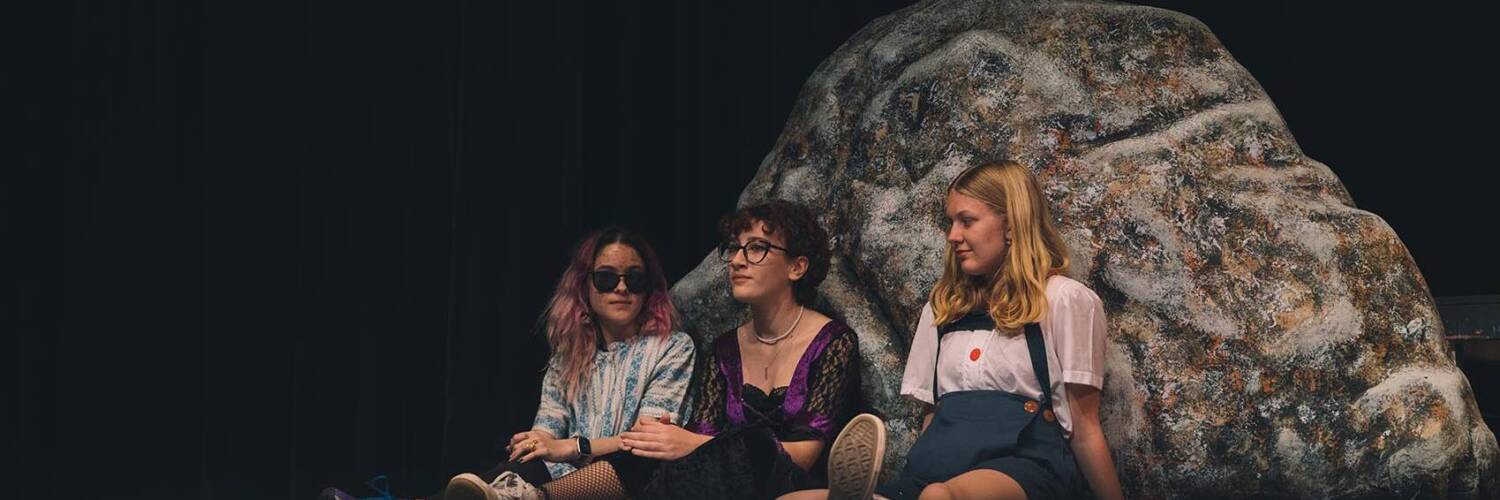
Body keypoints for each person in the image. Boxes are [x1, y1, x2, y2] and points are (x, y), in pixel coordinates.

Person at [786, 160, 1125, 500]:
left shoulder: (1064, 300)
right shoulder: (942, 309)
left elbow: (1085, 427)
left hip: (1027, 466)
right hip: (941, 467)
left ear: (1011, 225)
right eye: (951, 222)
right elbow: (933, 419)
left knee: (939, 496)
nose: (952, 236)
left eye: (967, 221)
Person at [513, 199, 865, 500]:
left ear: (797, 266)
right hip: (721, 483)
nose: (737, 261)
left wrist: (688, 444)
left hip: (783, 479)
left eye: (756, 248)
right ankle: (512, 493)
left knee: (753, 445)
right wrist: (670, 439)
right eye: (735, 248)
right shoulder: (725, 349)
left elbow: (802, 455)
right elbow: (704, 436)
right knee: (651, 451)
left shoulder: (833, 343)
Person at [319, 226, 695, 500]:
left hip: (625, 482)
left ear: (650, 286)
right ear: (585, 285)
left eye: (635, 278)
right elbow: (547, 432)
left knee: (632, 462)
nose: (622, 288)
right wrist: (540, 441)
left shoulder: (672, 348)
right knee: (519, 458)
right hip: (557, 478)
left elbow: (648, 444)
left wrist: (571, 447)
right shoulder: (569, 354)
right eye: (607, 278)